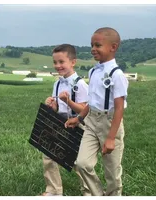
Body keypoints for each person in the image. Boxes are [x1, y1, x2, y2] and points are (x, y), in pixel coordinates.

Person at [65, 27, 129, 196]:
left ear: (113, 47)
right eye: (92, 45)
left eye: (98, 45)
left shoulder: (117, 75)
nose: (93, 48)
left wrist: (110, 137)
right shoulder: (93, 71)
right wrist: (79, 118)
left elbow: (119, 108)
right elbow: (92, 101)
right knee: (82, 163)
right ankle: (97, 194)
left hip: (110, 123)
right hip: (91, 121)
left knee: (112, 172)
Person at [41, 44, 90, 196]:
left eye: (61, 62)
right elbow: (58, 109)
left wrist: (68, 101)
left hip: (77, 124)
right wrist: (53, 106)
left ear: (73, 62)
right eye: (55, 62)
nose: (58, 66)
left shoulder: (80, 85)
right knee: (48, 155)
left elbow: (84, 110)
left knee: (76, 160)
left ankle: (90, 190)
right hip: (59, 122)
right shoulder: (57, 83)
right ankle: (54, 190)